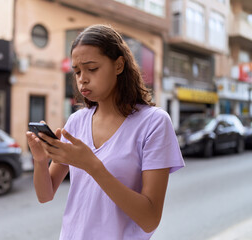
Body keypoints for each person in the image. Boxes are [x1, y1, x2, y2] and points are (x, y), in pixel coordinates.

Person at [26, 24, 185, 240]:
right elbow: (45, 195)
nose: (82, 78)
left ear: (118, 65)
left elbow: (150, 219)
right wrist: (39, 160)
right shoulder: (76, 122)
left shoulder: (154, 123)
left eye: (92, 69)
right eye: (77, 71)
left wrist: (92, 166)